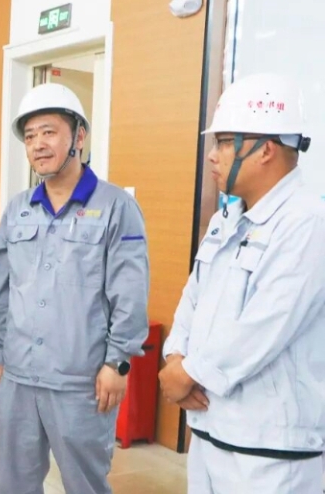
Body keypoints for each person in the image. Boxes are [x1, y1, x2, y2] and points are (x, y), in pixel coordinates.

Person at [159, 72, 325, 494]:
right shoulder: (227, 219)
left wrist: (189, 373)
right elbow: (193, 298)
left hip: (270, 449)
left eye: (225, 142)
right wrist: (174, 356)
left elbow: (266, 323)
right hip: (210, 427)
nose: (213, 156)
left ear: (266, 149)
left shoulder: (308, 222)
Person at [0, 82, 150, 494]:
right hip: (19, 375)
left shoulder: (116, 207)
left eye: (49, 132)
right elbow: (1, 283)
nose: (38, 145)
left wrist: (118, 362)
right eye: (30, 136)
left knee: (84, 484)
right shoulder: (18, 208)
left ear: (78, 136)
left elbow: (129, 291)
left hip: (81, 380)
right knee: (15, 483)